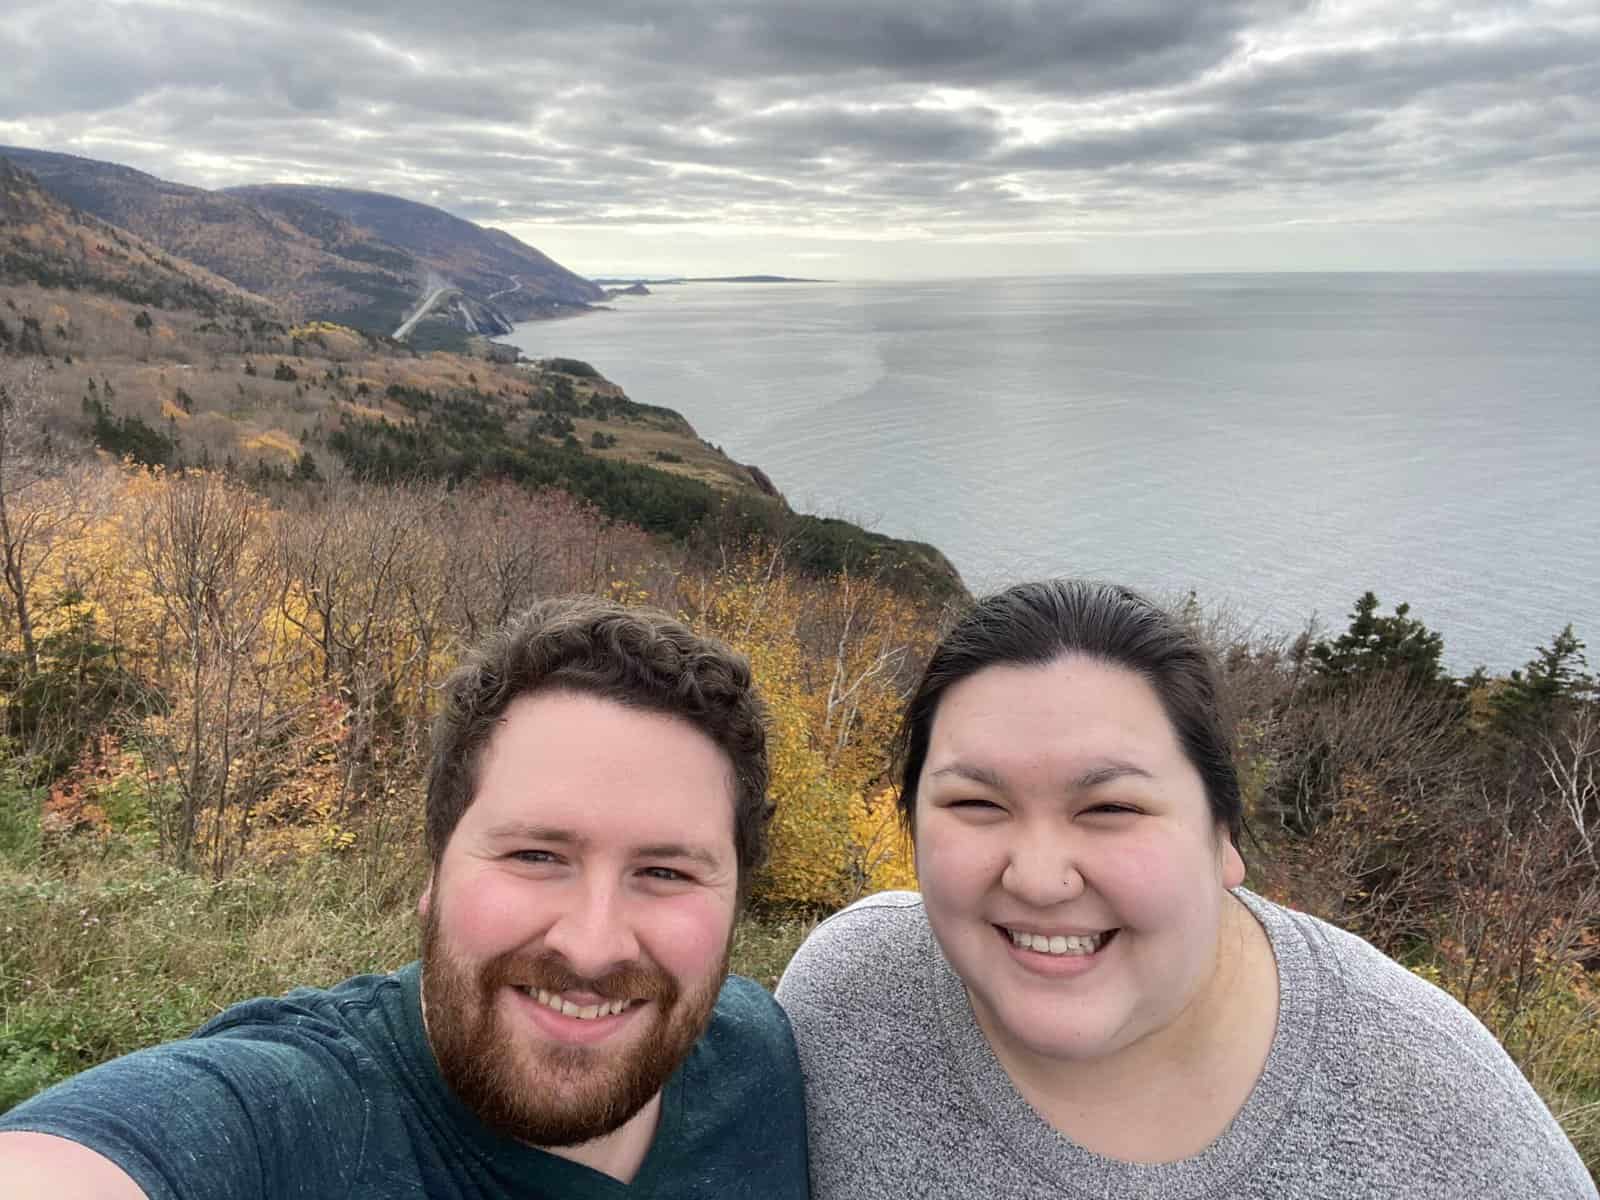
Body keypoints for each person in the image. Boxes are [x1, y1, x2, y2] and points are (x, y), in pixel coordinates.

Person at [776, 578, 1596, 1199]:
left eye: (1110, 807)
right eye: (976, 804)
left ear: (1222, 835)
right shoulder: (845, 999)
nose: (1038, 876)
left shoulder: (1437, 1112)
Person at [1, 597, 810, 1199]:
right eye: (537, 854)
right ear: (434, 871)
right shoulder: (291, 1118)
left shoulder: (763, 1056)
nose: (595, 945)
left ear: (738, 899)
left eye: (665, 873)